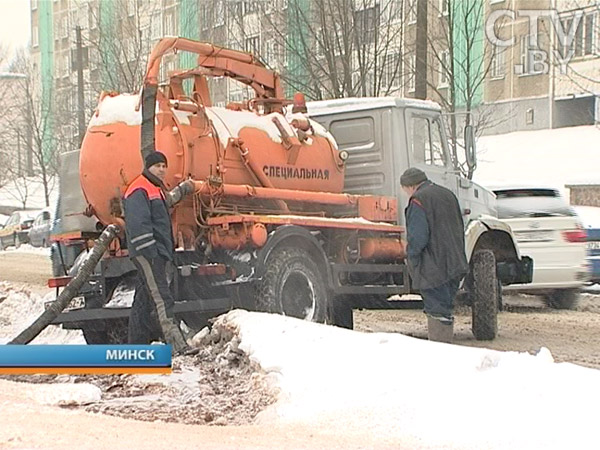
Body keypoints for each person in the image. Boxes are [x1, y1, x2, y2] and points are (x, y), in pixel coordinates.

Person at [123, 151, 194, 354]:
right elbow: (139, 223)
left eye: (164, 165)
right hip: (149, 253)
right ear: (148, 167)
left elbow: (168, 201)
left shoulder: (155, 189)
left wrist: (184, 189)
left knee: (144, 300)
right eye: (157, 166)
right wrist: (151, 251)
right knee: (162, 297)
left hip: (157, 252)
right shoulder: (139, 188)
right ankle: (177, 345)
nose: (162, 169)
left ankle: (136, 346)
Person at [400, 167, 468, 343]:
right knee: (445, 308)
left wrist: (412, 258)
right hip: (455, 262)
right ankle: (446, 344)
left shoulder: (418, 200)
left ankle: (441, 351)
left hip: (433, 266)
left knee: (436, 310)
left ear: (410, 186)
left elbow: (418, 237)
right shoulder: (448, 195)